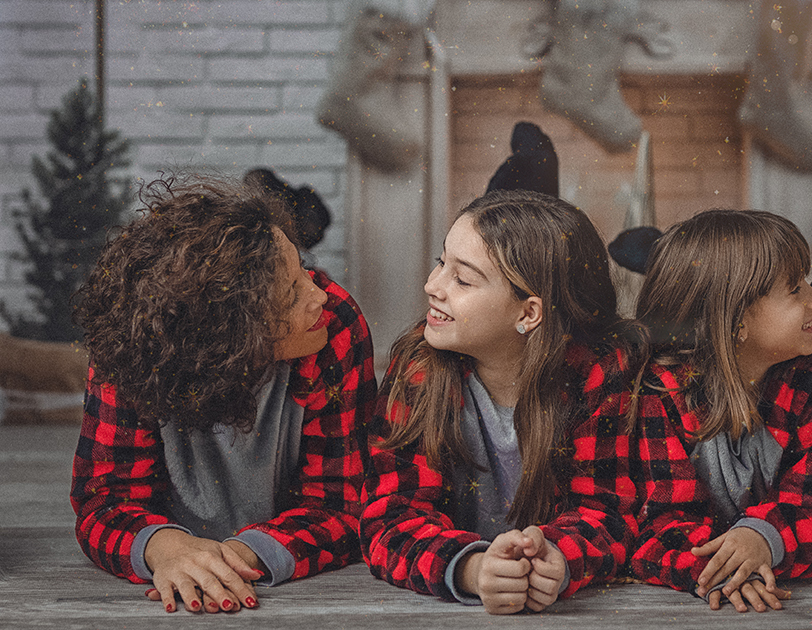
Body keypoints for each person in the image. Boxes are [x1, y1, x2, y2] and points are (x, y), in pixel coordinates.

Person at [71, 176, 376, 613]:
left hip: (274, 571)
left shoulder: (334, 324)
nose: (319, 294)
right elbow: (104, 500)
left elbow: (341, 503)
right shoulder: (131, 348)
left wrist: (236, 558)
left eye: (303, 268)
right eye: (291, 293)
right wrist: (166, 548)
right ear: (228, 336)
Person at [359, 189, 641, 614]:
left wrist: (558, 560)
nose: (432, 285)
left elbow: (610, 510)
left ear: (528, 314)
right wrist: (472, 569)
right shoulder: (419, 365)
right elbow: (389, 516)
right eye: (441, 262)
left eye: (463, 279)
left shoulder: (600, 373)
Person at [628, 209, 812, 613]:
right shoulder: (662, 391)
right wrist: (720, 570)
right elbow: (657, 527)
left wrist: (762, 539)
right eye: (795, 289)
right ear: (736, 321)